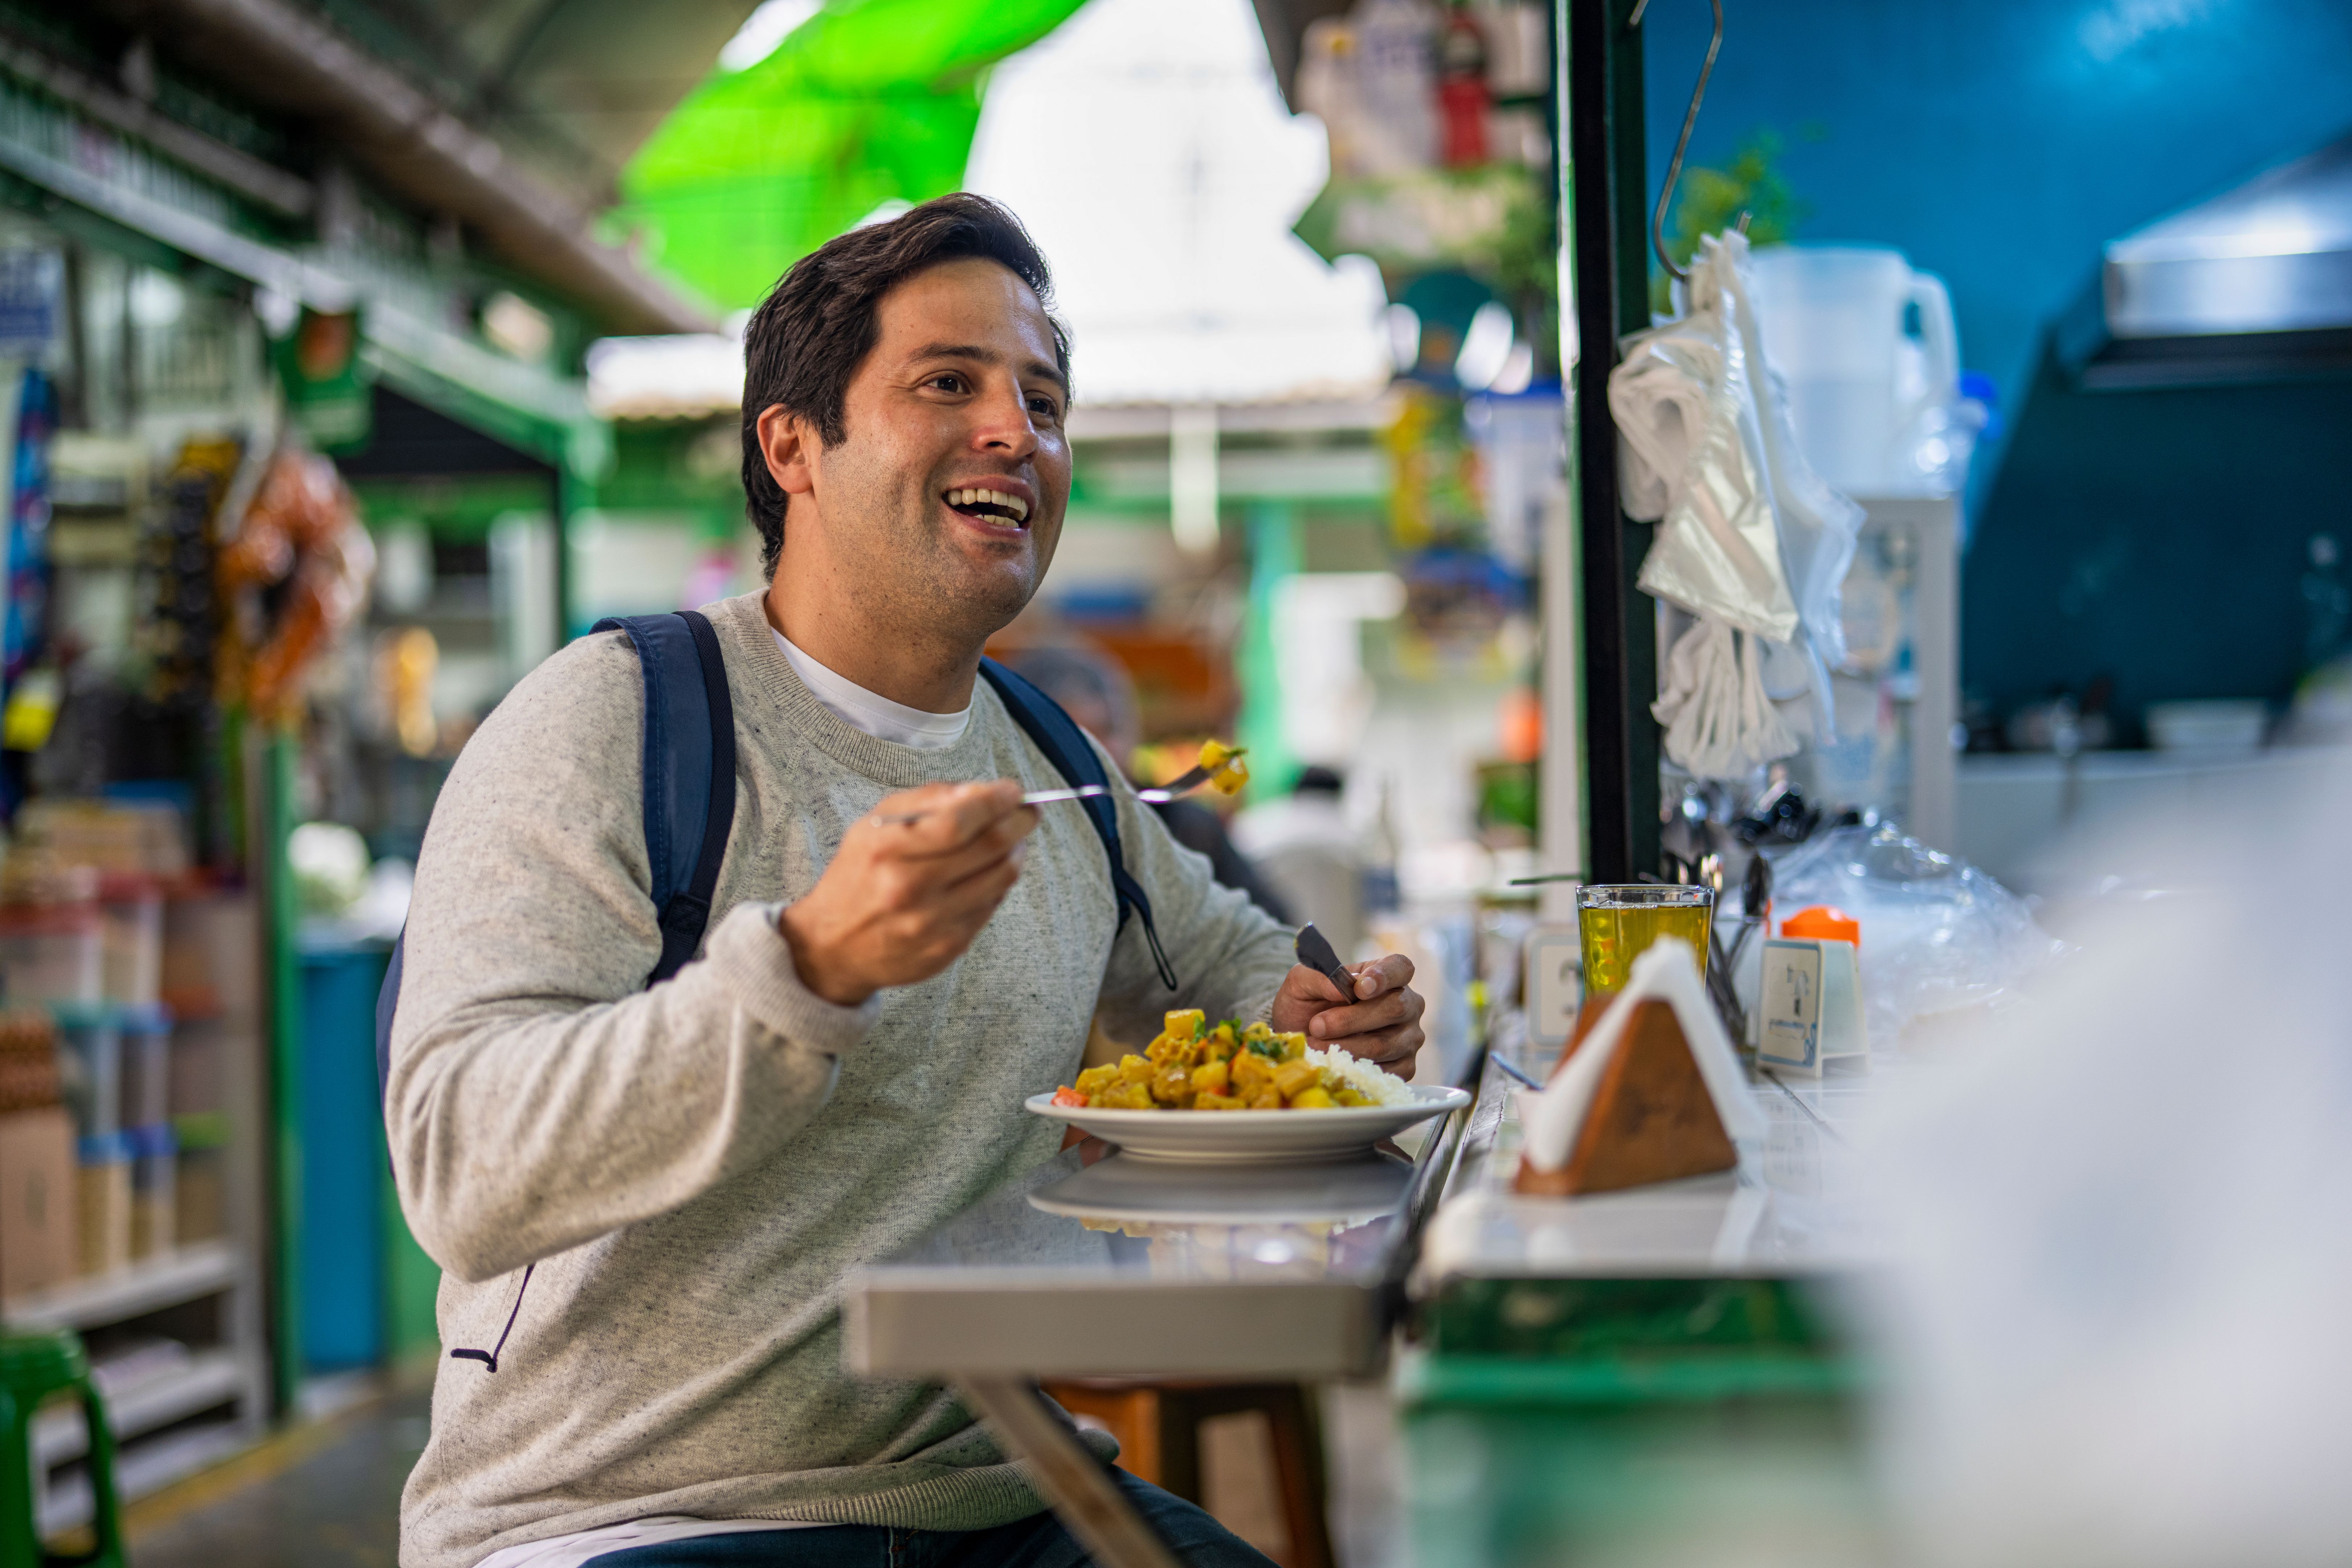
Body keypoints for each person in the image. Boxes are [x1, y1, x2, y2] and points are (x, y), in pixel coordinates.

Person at [385, 194, 1426, 1568]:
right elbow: (461, 1164)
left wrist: (1313, 1020)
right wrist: (806, 967)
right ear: (792, 444)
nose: (1017, 431)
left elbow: (1228, 962)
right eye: (950, 383)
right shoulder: (615, 719)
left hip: (996, 1486)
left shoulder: (1054, 755)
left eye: (1043, 400)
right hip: (627, 1512)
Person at [996, 642, 1291, 923]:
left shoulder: (1188, 831)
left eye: (1107, 732)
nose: (1098, 756)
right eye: (1072, 739)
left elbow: (1270, 931)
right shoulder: (1008, 852)